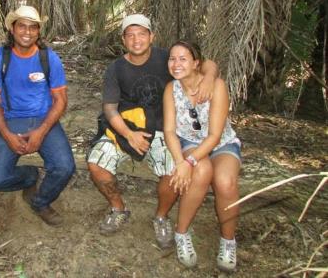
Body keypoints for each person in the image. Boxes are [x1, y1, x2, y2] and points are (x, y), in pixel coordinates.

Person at [87, 14, 219, 254]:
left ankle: (161, 217)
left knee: (173, 171)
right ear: (123, 40)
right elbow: (109, 108)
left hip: (162, 130)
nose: (136, 40)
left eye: (141, 34)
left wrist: (210, 78)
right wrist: (128, 134)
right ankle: (118, 208)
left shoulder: (167, 59)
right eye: (130, 35)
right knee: (96, 164)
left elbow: (205, 63)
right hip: (124, 128)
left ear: (151, 36)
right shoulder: (115, 69)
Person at [0, 5, 75, 226]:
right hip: (11, 120)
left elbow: (61, 100)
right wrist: (7, 134)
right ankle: (30, 176)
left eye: (33, 27)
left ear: (38, 31)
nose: (27, 32)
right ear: (12, 30)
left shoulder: (48, 58)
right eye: (22, 26)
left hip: (44, 119)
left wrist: (41, 132)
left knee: (64, 167)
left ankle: (40, 201)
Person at [163, 40, 241, 272]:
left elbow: (215, 135)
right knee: (202, 171)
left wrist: (189, 161)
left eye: (183, 59)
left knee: (225, 182)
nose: (176, 64)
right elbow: (169, 130)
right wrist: (181, 162)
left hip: (220, 142)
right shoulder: (171, 88)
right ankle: (182, 232)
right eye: (172, 59)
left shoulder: (216, 86)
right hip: (188, 141)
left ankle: (228, 241)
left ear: (197, 63)